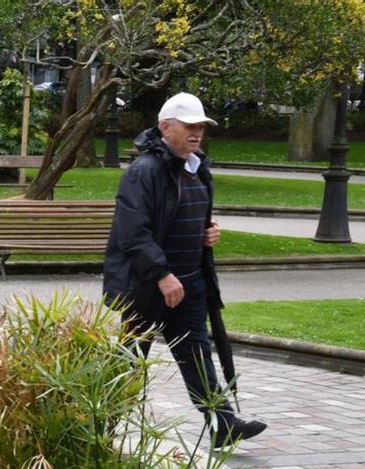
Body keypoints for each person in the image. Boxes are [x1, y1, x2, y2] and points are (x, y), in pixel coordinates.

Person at [103, 92, 266, 448]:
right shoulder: (144, 171)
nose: (197, 134)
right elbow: (133, 232)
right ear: (165, 128)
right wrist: (162, 274)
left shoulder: (197, 168)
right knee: (131, 357)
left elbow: (185, 215)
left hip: (189, 281)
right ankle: (103, 423)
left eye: (201, 127)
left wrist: (208, 233)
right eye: (189, 127)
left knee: (196, 353)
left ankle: (222, 423)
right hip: (149, 284)